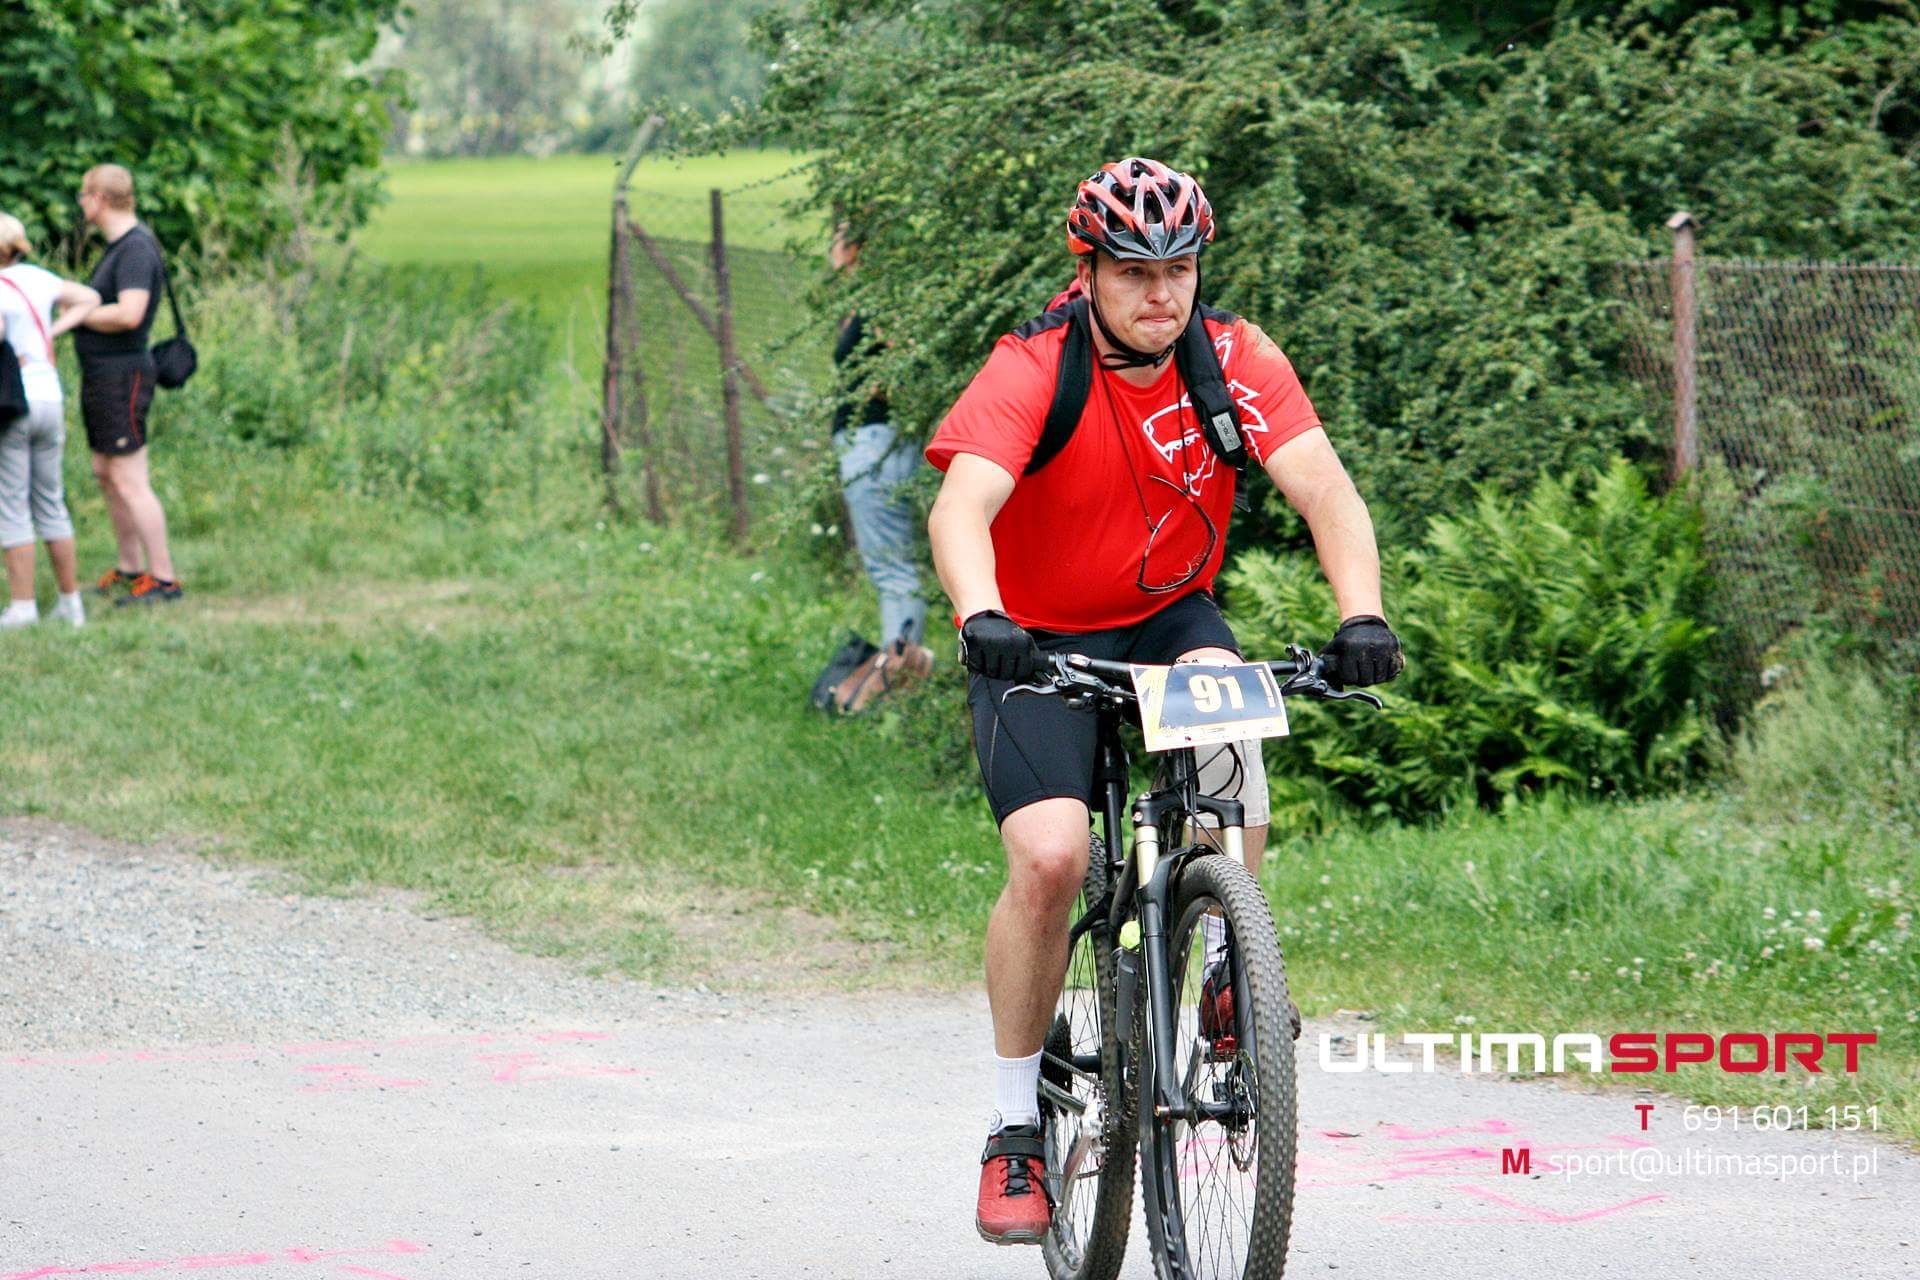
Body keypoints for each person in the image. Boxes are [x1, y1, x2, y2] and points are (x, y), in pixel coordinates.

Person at [922, 157, 1404, 1245]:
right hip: (1030, 638)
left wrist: (1363, 616)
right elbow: (962, 507)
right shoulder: (1033, 366)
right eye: (1135, 271)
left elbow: (1326, 490)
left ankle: (1230, 964)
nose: (1160, 292)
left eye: (1178, 268)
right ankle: (1012, 1128)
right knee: (1052, 858)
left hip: (1165, 617)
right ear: (1087, 270)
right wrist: (981, 612)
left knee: (1232, 727)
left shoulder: (1234, 359)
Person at [73, 163, 181, 605]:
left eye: (83, 195)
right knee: (106, 472)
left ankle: (164, 579)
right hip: (103, 375)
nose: (81, 204)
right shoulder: (120, 246)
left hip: (123, 376)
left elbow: (130, 313)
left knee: (129, 477)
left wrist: (77, 314)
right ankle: (131, 567)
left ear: (99, 198)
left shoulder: (135, 248)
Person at [829, 225, 930, 655]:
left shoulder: (883, 303)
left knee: (892, 568)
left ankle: (899, 670)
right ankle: (899, 664)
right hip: (872, 440)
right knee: (890, 566)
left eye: (837, 240)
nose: (831, 250)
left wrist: (886, 387)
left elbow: (911, 357)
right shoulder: (867, 300)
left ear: (855, 249)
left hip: (875, 443)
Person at [0, 213, 100, 629]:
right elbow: (90, 298)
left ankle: (23, 606)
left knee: (11, 502)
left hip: (13, 401)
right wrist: (53, 332)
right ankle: (70, 602)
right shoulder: (40, 278)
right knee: (50, 500)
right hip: (50, 396)